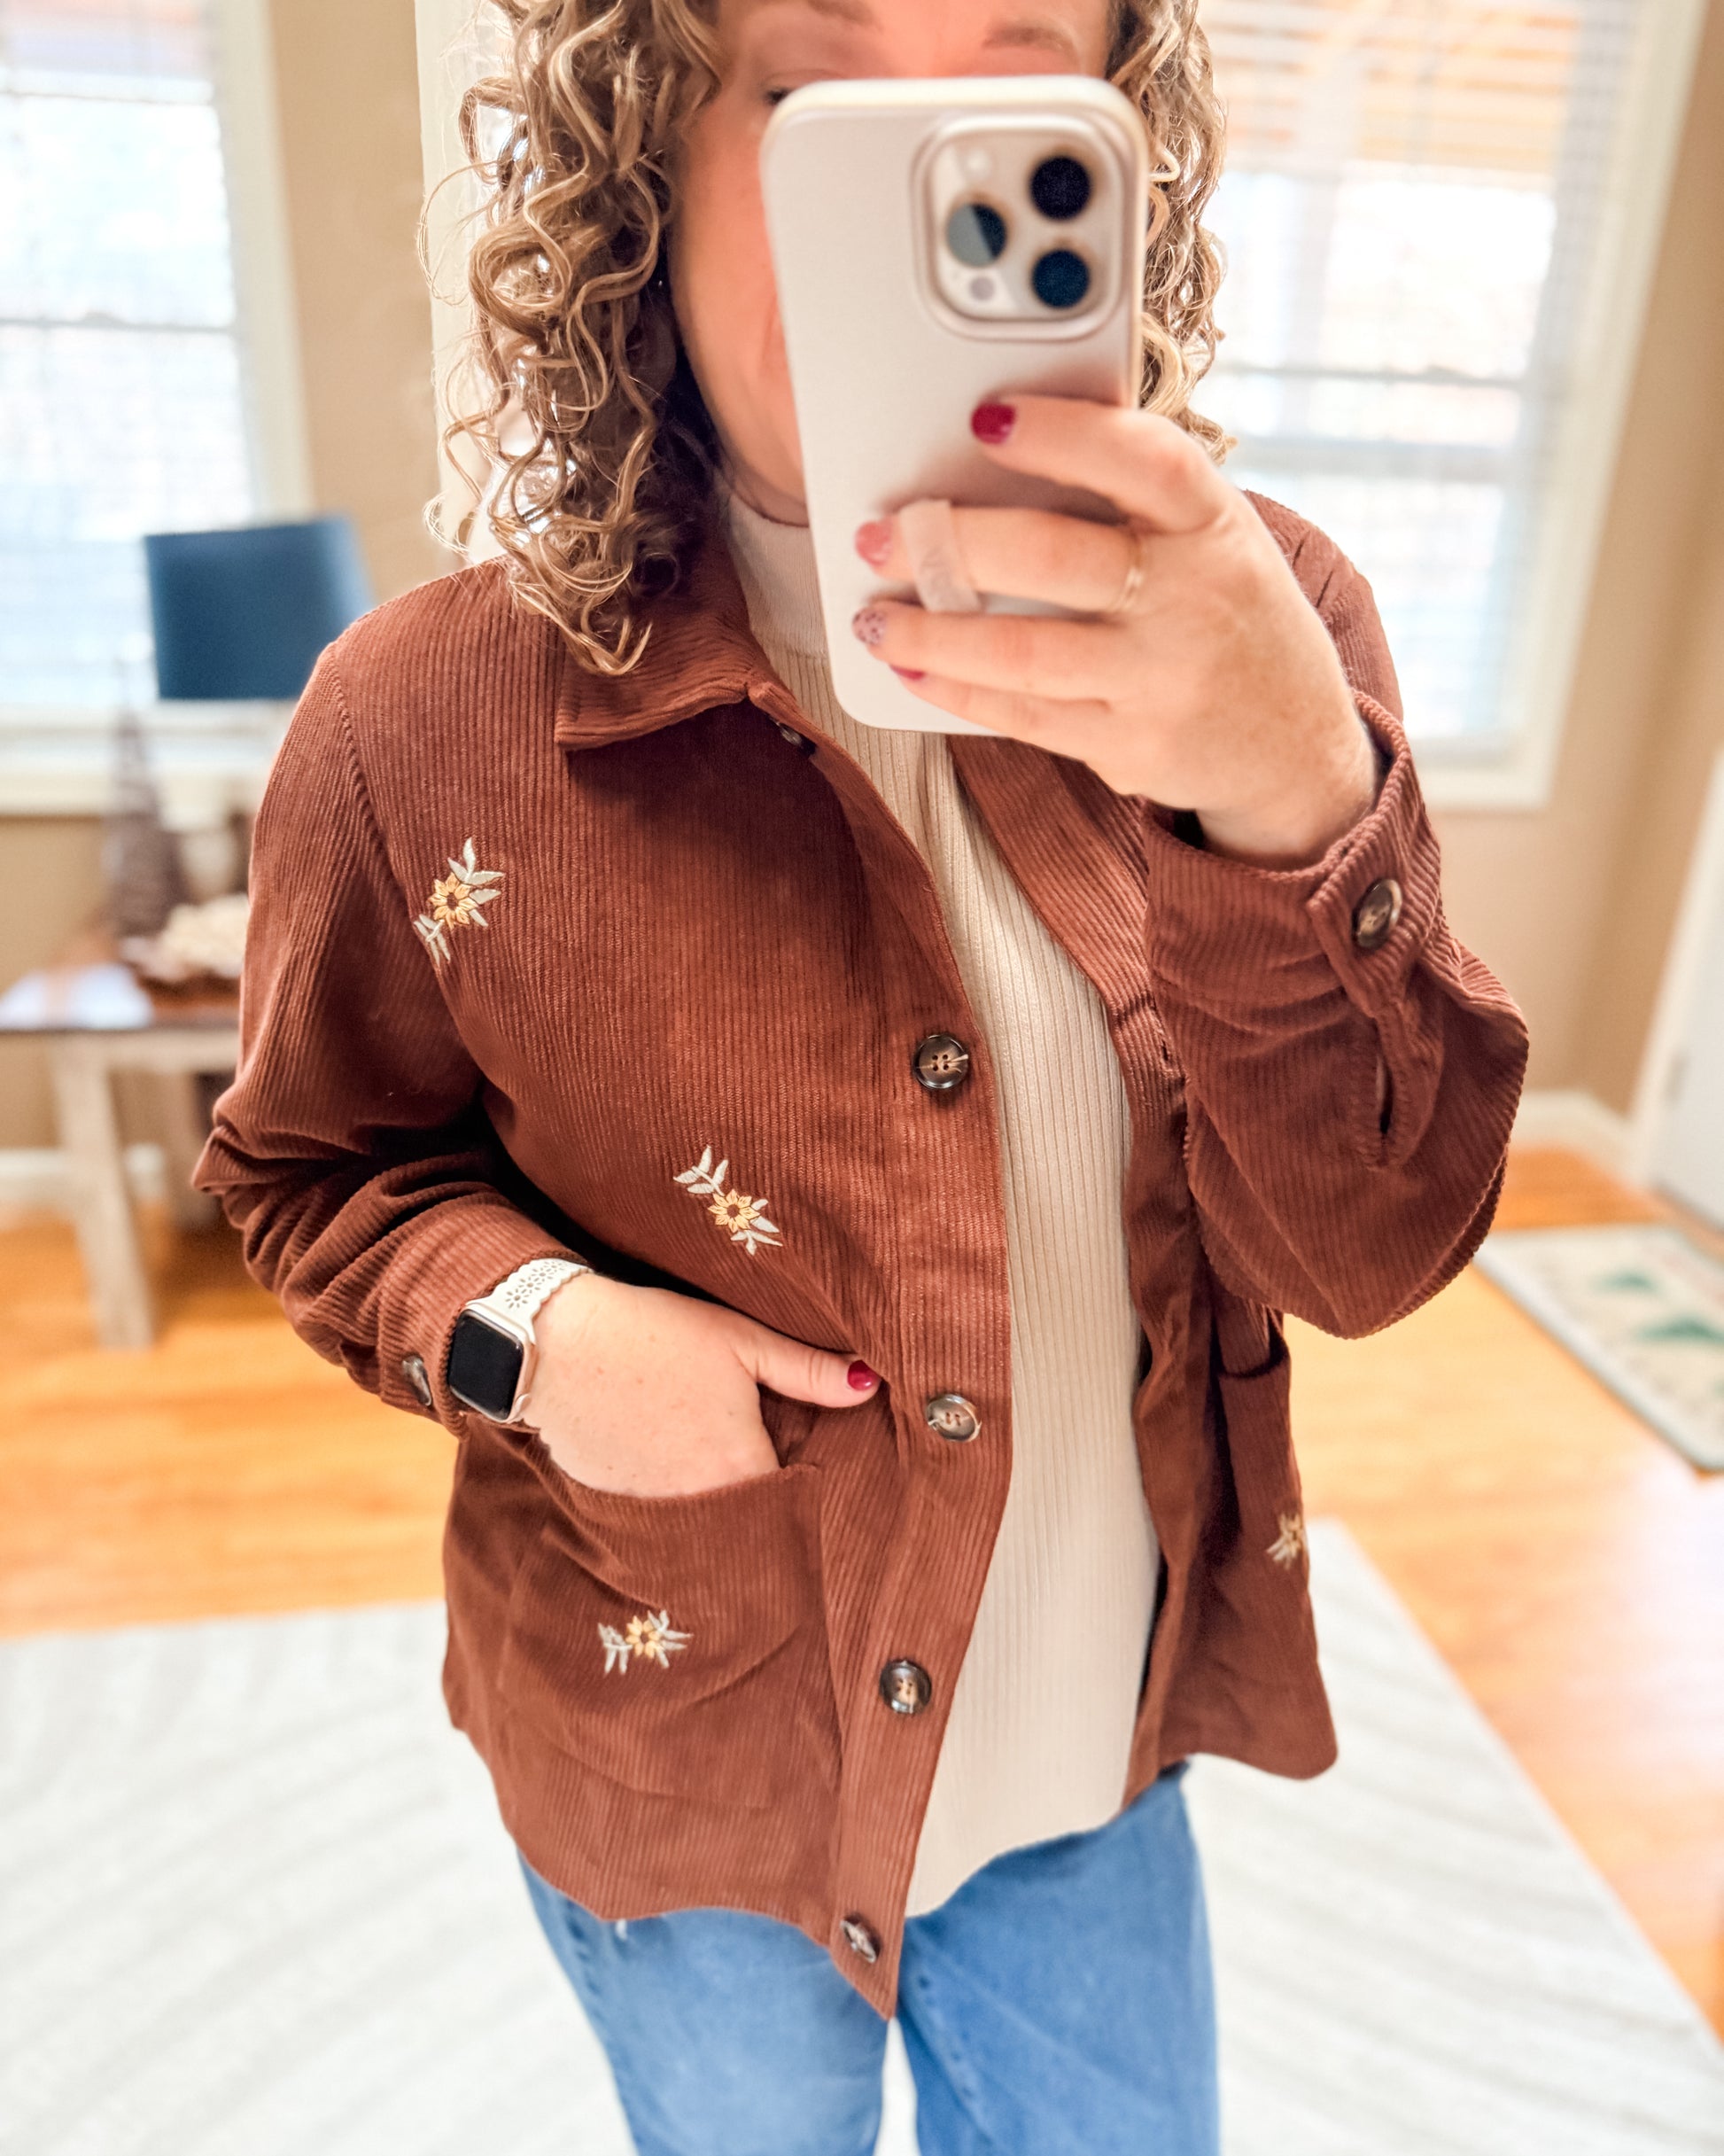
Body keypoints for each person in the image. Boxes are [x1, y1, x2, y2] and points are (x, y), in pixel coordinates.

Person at [197, 0, 1528, 2147]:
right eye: (814, 97)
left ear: (1114, 156)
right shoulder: (420, 723)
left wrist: (1292, 792)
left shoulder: (1273, 635)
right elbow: (310, 1174)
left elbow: (1370, 1251)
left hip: (1091, 1760)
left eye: (1007, 91)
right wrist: (542, 1339)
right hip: (686, 1772)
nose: (913, 198)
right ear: (641, 155)